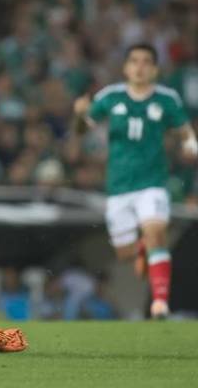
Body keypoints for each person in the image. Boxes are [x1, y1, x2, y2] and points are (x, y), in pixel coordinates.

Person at [73, 43, 198, 318]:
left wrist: (191, 144)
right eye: (134, 61)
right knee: (124, 254)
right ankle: (141, 248)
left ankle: (160, 302)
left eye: (146, 62)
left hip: (152, 184)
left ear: (154, 69)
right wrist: (80, 114)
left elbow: (184, 128)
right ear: (126, 67)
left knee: (156, 233)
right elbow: (83, 129)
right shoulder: (111, 96)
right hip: (118, 187)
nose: (140, 67)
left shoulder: (166, 99)